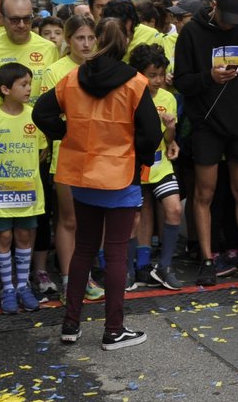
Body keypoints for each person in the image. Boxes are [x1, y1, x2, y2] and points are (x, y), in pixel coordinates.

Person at [33, 18, 163, 350]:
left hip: (81, 172)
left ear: (96, 43)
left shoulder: (73, 78)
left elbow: (41, 113)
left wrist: (65, 133)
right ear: (125, 45)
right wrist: (140, 158)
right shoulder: (135, 83)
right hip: (120, 173)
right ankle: (114, 329)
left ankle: (70, 324)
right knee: (117, 252)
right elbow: (151, 132)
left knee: (84, 249)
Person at [172, 0, 238, 284]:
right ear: (214, 6)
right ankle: (206, 258)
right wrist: (209, 77)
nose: (229, 23)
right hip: (207, 122)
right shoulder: (192, 33)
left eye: (235, 18)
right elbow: (181, 81)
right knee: (205, 192)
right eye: (226, 18)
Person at [36, 16, 101, 303]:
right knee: (69, 218)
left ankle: (85, 274)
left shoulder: (102, 67)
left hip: (101, 152)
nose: (86, 44)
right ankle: (70, 279)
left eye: (90, 38)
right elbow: (47, 113)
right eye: (79, 38)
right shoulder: (55, 71)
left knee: (94, 218)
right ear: (68, 40)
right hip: (68, 152)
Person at [0, 63, 48, 313]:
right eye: (23, 84)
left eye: (30, 83)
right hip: (0, 193)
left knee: (24, 236)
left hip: (28, 192)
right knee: (4, 236)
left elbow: (42, 150)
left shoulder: (34, 115)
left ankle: (23, 286)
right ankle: (6, 287)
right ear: (5, 89)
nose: (29, 88)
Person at [126, 44, 184, 291]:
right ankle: (128, 271)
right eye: (152, 75)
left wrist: (171, 129)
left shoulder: (168, 97)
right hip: (134, 167)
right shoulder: (128, 96)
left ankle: (164, 267)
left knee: (174, 209)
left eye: (161, 74)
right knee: (133, 219)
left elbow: (171, 140)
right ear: (138, 74)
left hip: (161, 167)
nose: (159, 80)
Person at [0, 0, 59, 116]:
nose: (22, 25)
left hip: (37, 131)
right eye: (14, 20)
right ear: (1, 18)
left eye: (27, 19)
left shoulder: (49, 48)